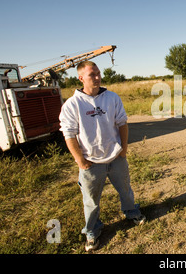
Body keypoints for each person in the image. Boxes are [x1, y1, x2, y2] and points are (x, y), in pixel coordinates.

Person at [59, 61, 145, 251]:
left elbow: (122, 123)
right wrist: (80, 160)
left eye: (98, 73)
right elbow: (69, 134)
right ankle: (92, 230)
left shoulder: (112, 98)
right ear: (81, 78)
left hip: (115, 157)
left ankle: (131, 212)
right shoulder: (72, 104)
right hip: (91, 163)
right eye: (92, 75)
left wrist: (123, 150)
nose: (97, 77)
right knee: (91, 200)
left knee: (125, 189)